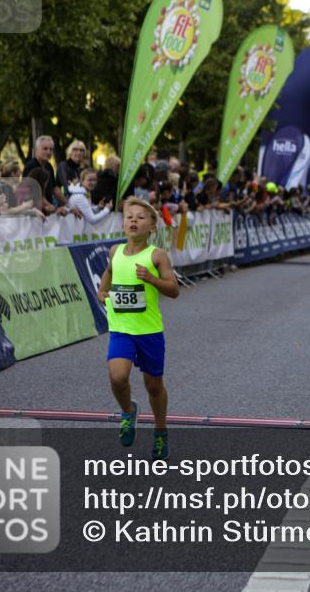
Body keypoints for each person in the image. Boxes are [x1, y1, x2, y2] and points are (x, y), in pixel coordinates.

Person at [97, 197, 180, 460]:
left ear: (152, 227)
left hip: (149, 332)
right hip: (121, 328)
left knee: (153, 385)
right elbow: (110, 272)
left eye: (140, 217)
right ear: (123, 225)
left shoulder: (156, 255)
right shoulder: (115, 251)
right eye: (129, 216)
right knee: (118, 377)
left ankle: (160, 431)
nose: (133, 220)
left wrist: (152, 279)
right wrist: (102, 291)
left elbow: (174, 290)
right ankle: (128, 411)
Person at [23, 135, 70, 213]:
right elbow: (34, 194)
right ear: (37, 150)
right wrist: (54, 209)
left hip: (48, 212)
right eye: (45, 149)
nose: (48, 152)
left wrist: (69, 206)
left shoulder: (49, 166)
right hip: (35, 214)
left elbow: (55, 189)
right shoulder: (30, 167)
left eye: (51, 149)